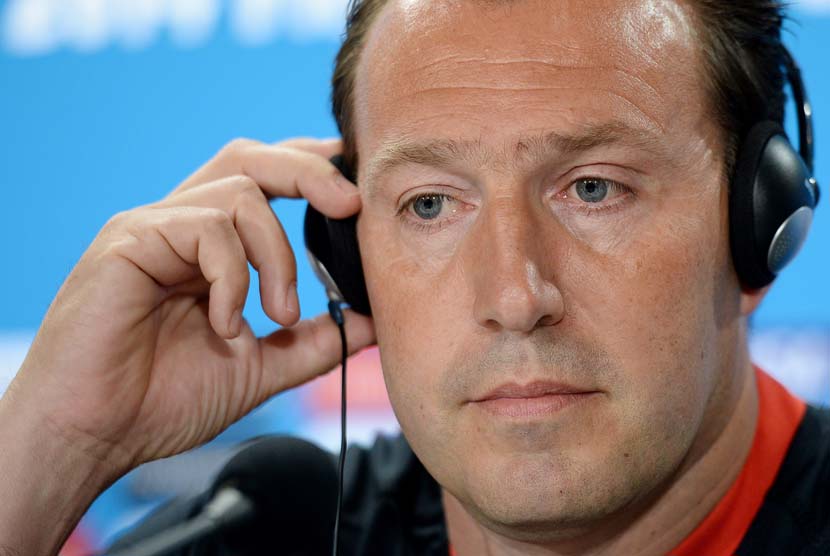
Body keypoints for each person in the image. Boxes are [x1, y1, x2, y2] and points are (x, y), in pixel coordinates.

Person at [1, 0, 827, 554]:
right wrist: (54, 451)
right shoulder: (265, 535)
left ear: (759, 225)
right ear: (348, 255)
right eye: (431, 204)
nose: (513, 297)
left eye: (594, 188)